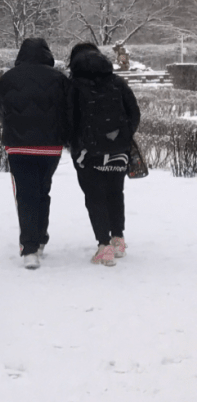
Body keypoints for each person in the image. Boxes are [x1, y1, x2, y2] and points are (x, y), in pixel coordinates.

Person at [0, 38, 70, 270]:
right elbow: (69, 109)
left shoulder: (8, 78)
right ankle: (41, 239)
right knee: (43, 191)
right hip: (50, 146)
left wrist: (11, 124)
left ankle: (29, 249)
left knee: (25, 195)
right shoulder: (59, 79)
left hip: (18, 146)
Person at [67, 42, 141, 267]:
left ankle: (103, 245)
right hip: (118, 150)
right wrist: (123, 136)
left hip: (88, 153)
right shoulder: (117, 83)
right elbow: (134, 113)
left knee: (95, 196)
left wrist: (76, 145)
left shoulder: (73, 86)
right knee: (115, 192)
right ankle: (118, 239)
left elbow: (68, 120)